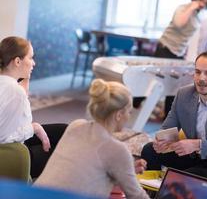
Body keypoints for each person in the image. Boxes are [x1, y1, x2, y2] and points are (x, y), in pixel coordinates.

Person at [35, 79, 150, 199]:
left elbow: (85, 175)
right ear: (119, 114)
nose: (129, 117)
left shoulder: (76, 126)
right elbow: (137, 196)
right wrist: (125, 170)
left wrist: (124, 171)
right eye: (129, 112)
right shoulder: (117, 150)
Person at [141, 51, 207, 177]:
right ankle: (150, 194)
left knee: (183, 178)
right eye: (198, 72)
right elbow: (168, 128)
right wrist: (162, 143)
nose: (201, 78)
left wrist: (197, 145)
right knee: (149, 150)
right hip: (192, 156)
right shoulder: (184, 94)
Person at [133, 0, 207, 117]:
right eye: (201, 0)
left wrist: (184, 52)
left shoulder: (197, 16)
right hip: (165, 49)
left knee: (174, 86)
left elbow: (187, 36)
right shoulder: (183, 9)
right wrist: (192, 6)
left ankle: (167, 117)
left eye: (205, 2)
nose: (202, 4)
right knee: (153, 81)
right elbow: (179, 23)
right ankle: (135, 104)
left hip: (178, 54)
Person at [0, 36, 67, 178]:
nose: (34, 63)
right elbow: (5, 136)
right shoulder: (14, 91)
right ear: (17, 61)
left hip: (12, 144)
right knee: (68, 149)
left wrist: (26, 76)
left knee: (66, 131)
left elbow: (19, 98)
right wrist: (34, 128)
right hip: (11, 155)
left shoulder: (8, 84)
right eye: (31, 58)